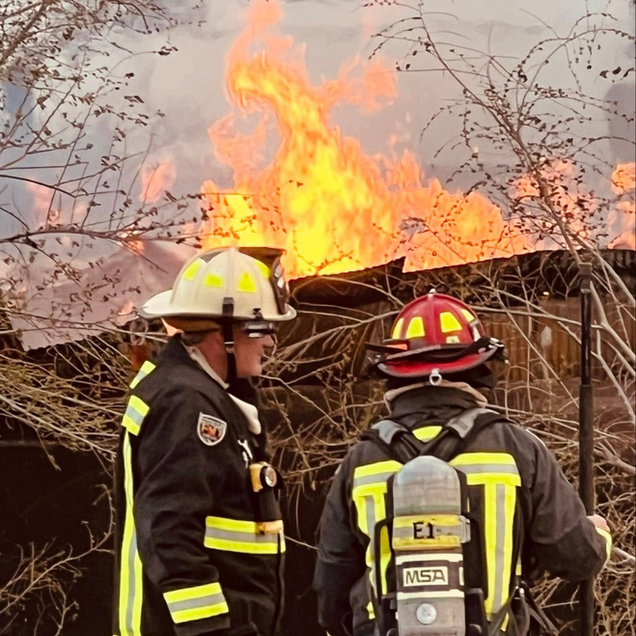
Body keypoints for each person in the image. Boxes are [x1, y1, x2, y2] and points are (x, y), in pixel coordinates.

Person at [314, 290, 612, 636]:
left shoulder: (361, 460)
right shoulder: (515, 448)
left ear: (395, 373)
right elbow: (576, 556)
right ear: (478, 367)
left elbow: (332, 586)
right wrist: (598, 534)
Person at [113, 247, 296, 636]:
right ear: (221, 334)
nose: (270, 344)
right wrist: (209, 629)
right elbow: (171, 533)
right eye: (260, 329)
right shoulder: (187, 405)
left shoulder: (215, 398)